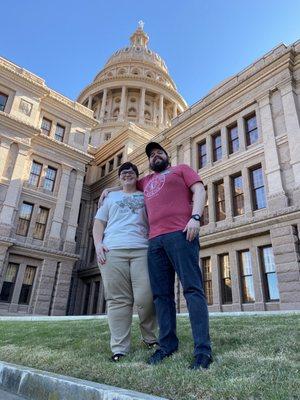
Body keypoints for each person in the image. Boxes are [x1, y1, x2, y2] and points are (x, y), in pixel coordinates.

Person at [100, 143, 212, 370]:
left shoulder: (181, 169)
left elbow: (199, 190)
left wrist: (196, 217)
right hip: (153, 242)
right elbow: (127, 183)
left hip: (181, 234)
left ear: (167, 157)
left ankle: (202, 350)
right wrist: (108, 190)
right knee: (161, 296)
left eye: (159, 152)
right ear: (149, 163)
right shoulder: (146, 182)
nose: (155, 156)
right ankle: (167, 345)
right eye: (151, 155)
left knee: (192, 289)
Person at [93, 162, 157, 362]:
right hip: (113, 250)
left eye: (131, 172)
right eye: (123, 173)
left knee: (146, 297)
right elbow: (99, 223)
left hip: (142, 249)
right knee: (118, 300)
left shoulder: (145, 194)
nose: (127, 175)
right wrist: (97, 244)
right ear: (119, 177)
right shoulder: (110, 197)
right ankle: (120, 348)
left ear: (137, 177)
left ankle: (150, 337)